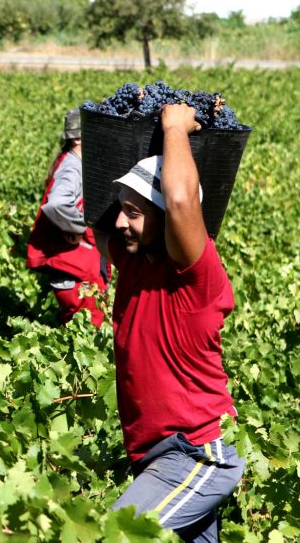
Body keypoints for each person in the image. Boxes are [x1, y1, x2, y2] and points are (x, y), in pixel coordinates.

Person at [94, 104, 244, 543]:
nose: (121, 222)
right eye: (122, 210)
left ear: (169, 219)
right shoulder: (135, 262)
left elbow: (180, 200)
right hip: (156, 458)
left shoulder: (196, 278)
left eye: (135, 213)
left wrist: (174, 127)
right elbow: (96, 225)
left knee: (115, 536)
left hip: (197, 454)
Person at [26, 108, 109, 327]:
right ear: (78, 140)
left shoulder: (71, 162)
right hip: (75, 270)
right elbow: (56, 203)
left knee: (85, 328)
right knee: (91, 330)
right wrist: (77, 228)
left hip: (76, 268)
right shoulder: (72, 168)